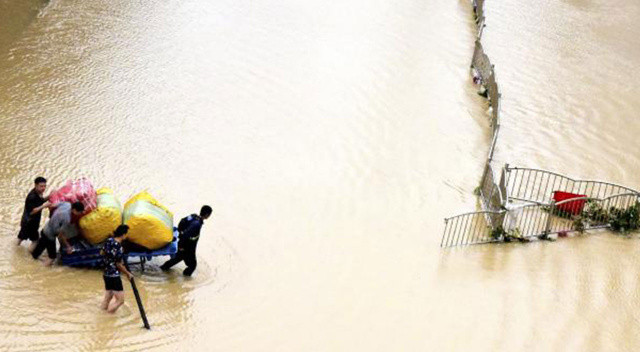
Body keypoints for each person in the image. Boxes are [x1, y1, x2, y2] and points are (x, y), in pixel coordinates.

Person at [161, 205, 212, 276]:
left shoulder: (193, 216)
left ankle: (162, 269)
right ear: (207, 215)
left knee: (176, 259)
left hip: (184, 246)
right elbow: (186, 234)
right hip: (187, 248)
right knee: (192, 265)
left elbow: (182, 221)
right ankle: (186, 280)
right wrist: (181, 246)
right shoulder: (196, 224)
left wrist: (180, 234)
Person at [31, 201, 85, 266]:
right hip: (50, 236)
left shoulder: (67, 204)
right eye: (79, 212)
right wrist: (68, 246)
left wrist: (40, 208)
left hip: (45, 229)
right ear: (74, 210)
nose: (80, 213)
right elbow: (61, 234)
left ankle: (31, 262)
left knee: (36, 253)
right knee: (52, 257)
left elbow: (51, 205)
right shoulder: (67, 218)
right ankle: (40, 271)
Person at [100, 225, 133, 314]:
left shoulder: (109, 241)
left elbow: (102, 252)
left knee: (108, 297)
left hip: (106, 273)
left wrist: (109, 258)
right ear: (123, 235)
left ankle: (101, 314)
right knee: (120, 301)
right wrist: (127, 273)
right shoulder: (119, 247)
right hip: (114, 275)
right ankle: (107, 317)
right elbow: (118, 264)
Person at [16, 177, 50, 250]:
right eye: (41, 186)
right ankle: (29, 257)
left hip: (26, 221)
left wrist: (49, 196)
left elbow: (41, 201)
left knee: (21, 237)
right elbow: (32, 212)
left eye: (44, 186)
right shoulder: (32, 197)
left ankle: (14, 250)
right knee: (35, 241)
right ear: (35, 185)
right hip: (30, 223)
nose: (43, 188)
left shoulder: (38, 193)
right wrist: (43, 206)